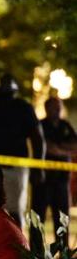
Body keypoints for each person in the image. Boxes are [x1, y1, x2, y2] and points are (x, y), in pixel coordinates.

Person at [0, 74, 45, 228]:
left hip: (16, 167)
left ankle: (18, 250)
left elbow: (38, 138)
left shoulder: (24, 108)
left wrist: (38, 167)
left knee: (14, 212)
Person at [31, 97, 76, 244]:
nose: (56, 110)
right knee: (38, 219)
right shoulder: (40, 126)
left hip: (62, 181)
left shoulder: (65, 125)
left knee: (62, 220)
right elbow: (45, 146)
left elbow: (74, 147)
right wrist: (64, 149)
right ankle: (36, 255)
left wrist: (59, 150)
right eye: (53, 107)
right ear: (46, 108)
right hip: (42, 180)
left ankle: (62, 255)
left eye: (59, 107)